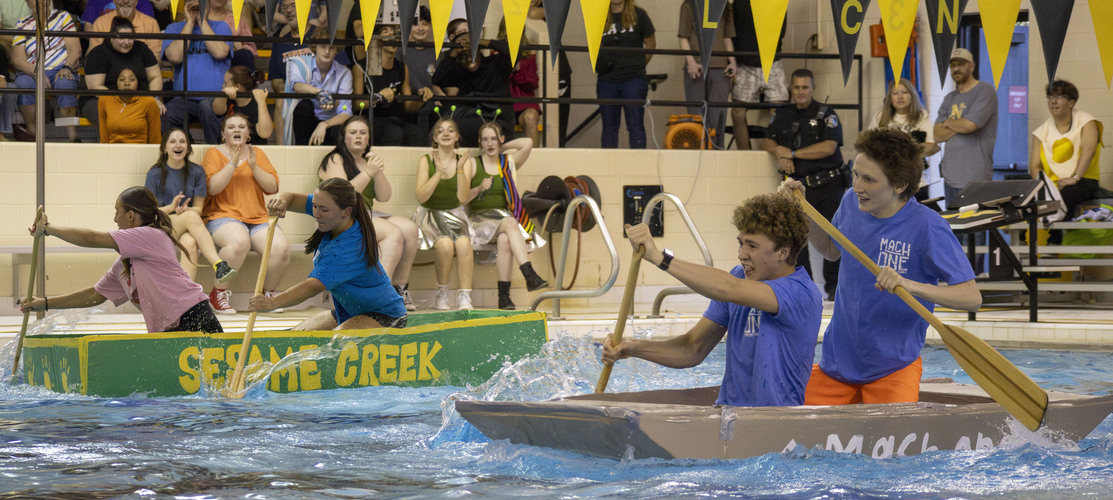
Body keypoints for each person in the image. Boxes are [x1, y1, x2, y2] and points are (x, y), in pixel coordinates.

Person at [782, 128, 981, 405]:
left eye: (869, 179)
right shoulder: (851, 201)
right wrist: (806, 211)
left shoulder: (928, 226)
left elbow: (971, 298)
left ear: (899, 185)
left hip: (893, 369)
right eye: (855, 174)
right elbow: (830, 250)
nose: (858, 186)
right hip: (836, 365)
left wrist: (908, 285)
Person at [602, 193, 822, 407]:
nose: (742, 254)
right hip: (728, 416)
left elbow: (725, 288)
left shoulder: (800, 294)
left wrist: (659, 257)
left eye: (752, 246)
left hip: (774, 426)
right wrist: (632, 348)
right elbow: (692, 349)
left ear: (783, 252)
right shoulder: (739, 277)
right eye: (741, 243)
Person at [21, 186, 223, 334]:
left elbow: (91, 238)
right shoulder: (126, 264)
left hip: (194, 316)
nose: (115, 218)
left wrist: (48, 229)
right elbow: (95, 295)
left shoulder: (151, 236)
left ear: (131, 216)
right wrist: (45, 303)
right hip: (168, 329)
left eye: (117, 212)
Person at [248, 178, 408, 329]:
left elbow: (312, 286)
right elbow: (291, 198)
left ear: (346, 211)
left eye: (323, 209)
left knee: (338, 344)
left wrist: (272, 303)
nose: (316, 213)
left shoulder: (348, 248)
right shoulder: (332, 213)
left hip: (385, 315)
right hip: (350, 311)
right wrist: (281, 200)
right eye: (315, 206)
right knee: (298, 335)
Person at [318, 116, 419, 311]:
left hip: (367, 212)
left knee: (410, 228)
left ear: (368, 138)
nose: (358, 137)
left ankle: (400, 288)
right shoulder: (335, 159)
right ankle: (379, 294)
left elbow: (385, 196)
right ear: (344, 137)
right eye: (353, 133)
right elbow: (341, 195)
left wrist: (377, 171)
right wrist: (368, 173)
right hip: (342, 217)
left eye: (363, 133)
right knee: (393, 233)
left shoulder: (368, 162)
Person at [763, 68, 844, 299]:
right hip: (798, 190)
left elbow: (829, 147)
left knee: (833, 237)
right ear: (791, 88)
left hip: (827, 184)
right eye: (797, 87)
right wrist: (782, 154)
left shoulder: (825, 113)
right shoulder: (783, 114)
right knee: (796, 239)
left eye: (805, 87)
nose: (800, 92)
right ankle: (804, 289)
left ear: (813, 88)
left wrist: (794, 153)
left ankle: (835, 289)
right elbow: (767, 141)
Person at [202, 113, 291, 314]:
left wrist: (252, 165)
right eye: (231, 127)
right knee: (239, 243)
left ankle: (266, 296)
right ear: (223, 133)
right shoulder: (213, 154)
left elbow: (272, 186)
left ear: (248, 133)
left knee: (281, 248)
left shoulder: (257, 153)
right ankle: (218, 294)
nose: (236, 130)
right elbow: (212, 188)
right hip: (223, 215)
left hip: (257, 217)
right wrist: (232, 162)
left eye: (241, 127)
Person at [463, 122, 549, 310]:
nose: (490, 143)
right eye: (485, 139)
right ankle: (529, 273)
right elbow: (461, 198)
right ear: (480, 142)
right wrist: (478, 189)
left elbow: (527, 143)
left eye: (494, 138)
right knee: (510, 223)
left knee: (505, 241)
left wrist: (505, 146)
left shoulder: (507, 163)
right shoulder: (473, 164)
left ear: (501, 140)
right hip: (480, 220)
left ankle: (504, 298)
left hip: (502, 222)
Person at [145, 127, 236, 283]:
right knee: (191, 217)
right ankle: (218, 264)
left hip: (187, 225)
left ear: (188, 148)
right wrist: (172, 208)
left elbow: (198, 209)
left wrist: (186, 210)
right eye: (172, 141)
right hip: (161, 224)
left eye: (182, 141)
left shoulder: (197, 172)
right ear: (165, 148)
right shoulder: (154, 173)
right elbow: (149, 212)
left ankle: (186, 296)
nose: (178, 145)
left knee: (190, 243)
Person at [414, 117, 476, 310]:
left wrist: (459, 171)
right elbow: (421, 197)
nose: (446, 133)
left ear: (457, 137)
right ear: (435, 137)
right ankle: (442, 293)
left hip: (455, 214)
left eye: (450, 130)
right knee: (445, 245)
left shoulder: (464, 161)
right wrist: (438, 172)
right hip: (430, 214)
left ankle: (465, 296)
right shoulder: (425, 160)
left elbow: (463, 197)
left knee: (464, 244)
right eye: (441, 130)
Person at [1029, 79, 1101, 237]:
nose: (1053, 101)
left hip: (1083, 181)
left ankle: (1053, 239)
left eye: (1059, 96)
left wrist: (1074, 177)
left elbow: (1089, 150)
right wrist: (1047, 188)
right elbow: (1034, 167)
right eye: (1050, 96)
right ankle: (1026, 239)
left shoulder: (1087, 122)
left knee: (1068, 193)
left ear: (1071, 103)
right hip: (1052, 186)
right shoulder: (1040, 132)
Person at [431, 18, 516, 147]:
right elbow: (437, 79)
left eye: (472, 52)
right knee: (443, 126)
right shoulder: (459, 71)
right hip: (472, 117)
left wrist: (478, 41)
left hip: (497, 119)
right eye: (463, 55)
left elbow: (513, 50)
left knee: (450, 128)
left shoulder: (496, 64)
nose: (468, 57)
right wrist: (455, 52)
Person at [934, 47, 998, 207]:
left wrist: (948, 122)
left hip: (976, 178)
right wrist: (960, 123)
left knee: (978, 228)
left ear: (971, 66)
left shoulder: (984, 91)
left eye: (961, 64)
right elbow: (937, 135)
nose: (956, 69)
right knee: (955, 229)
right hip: (950, 178)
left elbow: (971, 125)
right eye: (953, 65)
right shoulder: (950, 98)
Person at [162, 0, 232, 144]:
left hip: (213, 98)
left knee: (207, 107)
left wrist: (202, 21)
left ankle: (216, 151)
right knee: (168, 113)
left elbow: (220, 52)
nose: (195, 5)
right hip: (184, 98)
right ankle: (187, 148)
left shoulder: (221, 26)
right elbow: (175, 57)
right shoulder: (173, 28)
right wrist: (188, 24)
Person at [11, 0, 81, 142]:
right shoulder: (22, 23)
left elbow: (75, 49)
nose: (39, 2)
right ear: (27, 2)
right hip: (32, 70)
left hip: (60, 68)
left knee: (65, 82)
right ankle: (33, 133)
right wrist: (37, 72)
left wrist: (66, 67)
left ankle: (73, 136)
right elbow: (18, 59)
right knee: (23, 83)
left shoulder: (62, 16)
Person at [867, 78, 940, 205]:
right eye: (895, 93)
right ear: (890, 97)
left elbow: (933, 146)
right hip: (887, 183)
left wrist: (897, 149)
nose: (900, 96)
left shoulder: (922, 116)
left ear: (912, 95)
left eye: (904, 92)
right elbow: (869, 145)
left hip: (918, 184)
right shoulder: (880, 117)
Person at [596, 0, 655, 149]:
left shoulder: (639, 14)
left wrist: (638, 65)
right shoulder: (599, 17)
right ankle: (608, 167)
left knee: (635, 125)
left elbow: (651, 44)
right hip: (607, 79)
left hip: (633, 79)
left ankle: (639, 167)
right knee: (609, 126)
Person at [677, 0, 735, 150]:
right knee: (696, 116)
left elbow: (727, 36)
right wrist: (690, 62)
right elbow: (683, 37)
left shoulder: (724, 5)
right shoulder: (689, 5)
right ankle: (698, 154)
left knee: (718, 116)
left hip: (720, 67)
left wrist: (732, 61)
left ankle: (718, 152)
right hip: (697, 66)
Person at [730, 0, 788, 150]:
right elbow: (731, 30)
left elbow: (781, 31)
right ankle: (745, 154)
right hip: (745, 62)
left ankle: (776, 151)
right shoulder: (739, 3)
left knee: (779, 111)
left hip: (772, 60)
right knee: (737, 112)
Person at [84, 17, 163, 121]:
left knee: (162, 114)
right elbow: (95, 86)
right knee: (116, 118)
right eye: (121, 38)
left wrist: (154, 98)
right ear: (112, 38)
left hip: (139, 98)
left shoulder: (141, 49)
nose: (126, 42)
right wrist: (124, 104)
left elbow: (155, 77)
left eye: (130, 38)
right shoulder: (98, 53)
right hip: (102, 99)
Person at [283, 31, 353, 146]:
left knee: (340, 128)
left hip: (330, 124)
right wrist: (319, 92)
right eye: (323, 46)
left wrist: (324, 124)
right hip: (306, 122)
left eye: (331, 47)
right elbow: (296, 85)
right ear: (315, 47)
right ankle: (302, 153)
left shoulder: (344, 73)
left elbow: (346, 112)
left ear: (337, 50)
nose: (327, 51)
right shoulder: (298, 62)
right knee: (304, 106)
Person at [354, 24, 408, 146]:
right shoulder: (360, 67)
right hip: (366, 119)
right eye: (386, 32)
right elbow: (356, 105)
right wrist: (379, 97)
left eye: (395, 33)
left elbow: (408, 105)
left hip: (392, 120)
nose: (392, 36)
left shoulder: (402, 68)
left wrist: (423, 96)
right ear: (376, 38)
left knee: (399, 131)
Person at [401, 6, 436, 146]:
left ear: (431, 27)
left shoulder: (436, 51)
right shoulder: (399, 49)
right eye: (415, 24)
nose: (420, 28)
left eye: (425, 24)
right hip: (410, 101)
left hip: (433, 100)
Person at [211, 65, 272, 144]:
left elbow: (265, 133)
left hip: (251, 152)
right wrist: (223, 94)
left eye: (225, 83)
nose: (223, 86)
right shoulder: (228, 99)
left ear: (237, 86)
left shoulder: (258, 103)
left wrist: (262, 102)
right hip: (226, 151)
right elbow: (217, 110)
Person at [98, 68, 161, 143]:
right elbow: (104, 139)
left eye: (132, 80)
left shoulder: (149, 102)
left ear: (138, 82)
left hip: (139, 151)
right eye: (122, 79)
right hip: (114, 151)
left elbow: (155, 138)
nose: (127, 83)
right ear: (116, 82)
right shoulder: (104, 100)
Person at [86, 0, 162, 58]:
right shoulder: (100, 23)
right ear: (114, 1)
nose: (126, 1)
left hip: (141, 74)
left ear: (136, 1)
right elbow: (93, 58)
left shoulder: (151, 23)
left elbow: (156, 60)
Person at [205, 0, 256, 70]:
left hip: (231, 58)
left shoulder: (234, 17)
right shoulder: (199, 17)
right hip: (205, 54)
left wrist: (242, 46)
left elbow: (251, 46)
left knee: (245, 55)